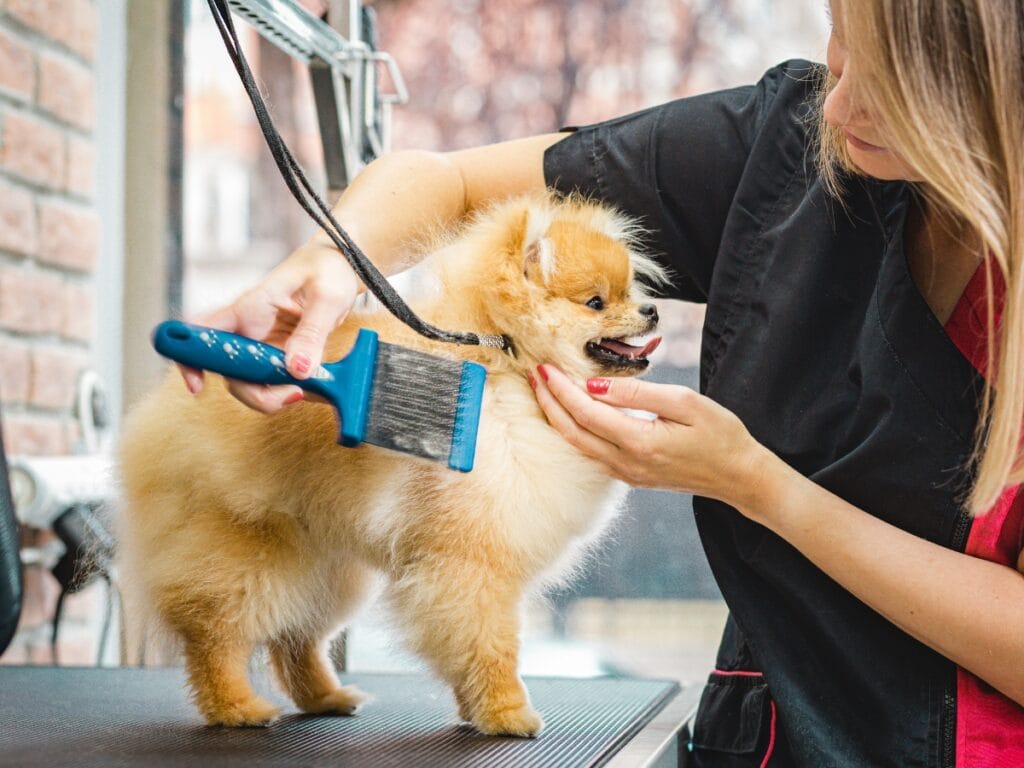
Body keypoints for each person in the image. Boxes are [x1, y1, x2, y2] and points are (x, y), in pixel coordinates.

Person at [181, 1, 1024, 764]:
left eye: (888, 88)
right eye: (841, 50)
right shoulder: (789, 145)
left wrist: (763, 487)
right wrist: (327, 262)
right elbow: (447, 181)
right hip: (758, 737)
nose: (837, 108)